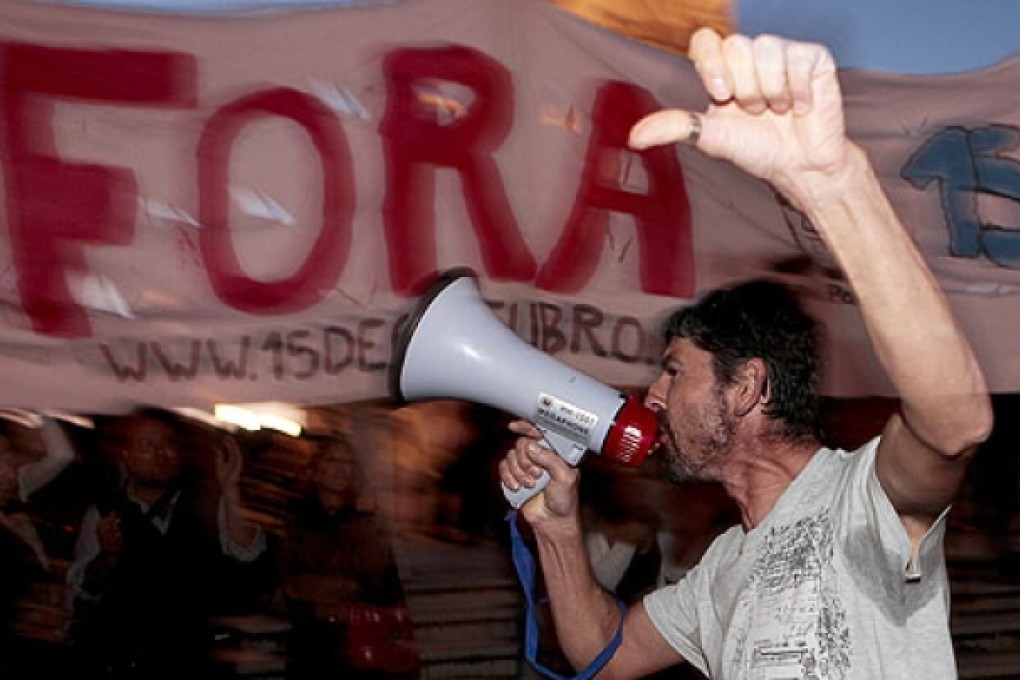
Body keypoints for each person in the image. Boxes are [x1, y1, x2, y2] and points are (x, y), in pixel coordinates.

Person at [498, 27, 993, 679]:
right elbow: (603, 653)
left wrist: (836, 187)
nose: (652, 396)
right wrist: (557, 529)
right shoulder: (723, 567)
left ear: (746, 386)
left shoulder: (860, 500)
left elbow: (956, 424)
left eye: (674, 371)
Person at [66, 408, 266, 679]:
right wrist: (108, 557)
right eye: (148, 444)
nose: (161, 453)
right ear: (127, 455)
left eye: (168, 443)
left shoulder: (207, 499)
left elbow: (247, 551)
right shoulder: (105, 512)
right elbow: (84, 588)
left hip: (198, 657)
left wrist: (230, 489)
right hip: (130, 658)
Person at [277, 432, 417, 679]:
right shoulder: (297, 519)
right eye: (332, 460)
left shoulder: (365, 521)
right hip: (313, 641)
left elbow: (382, 583)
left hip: (361, 642)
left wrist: (367, 525)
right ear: (316, 469)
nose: (340, 469)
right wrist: (330, 595)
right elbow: (291, 582)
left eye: (347, 462)